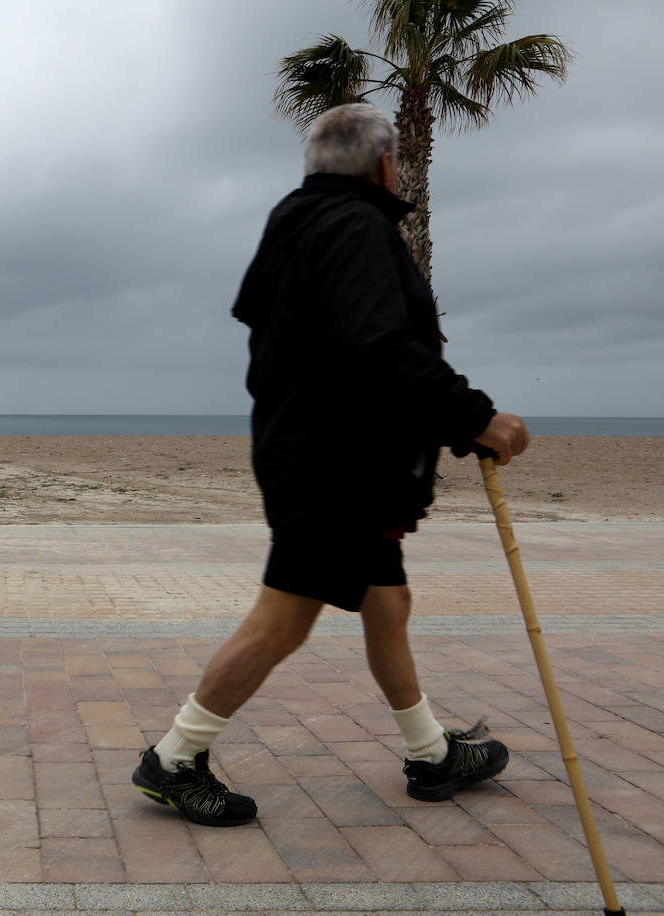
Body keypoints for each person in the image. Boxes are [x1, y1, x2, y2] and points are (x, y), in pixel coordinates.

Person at [132, 103, 530, 826]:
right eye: (399, 162)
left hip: (328, 457)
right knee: (282, 620)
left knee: (388, 601)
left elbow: (336, 351)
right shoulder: (355, 228)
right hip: (332, 468)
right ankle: (174, 758)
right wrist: (474, 415)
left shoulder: (301, 226)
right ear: (383, 166)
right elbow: (376, 345)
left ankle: (431, 753)